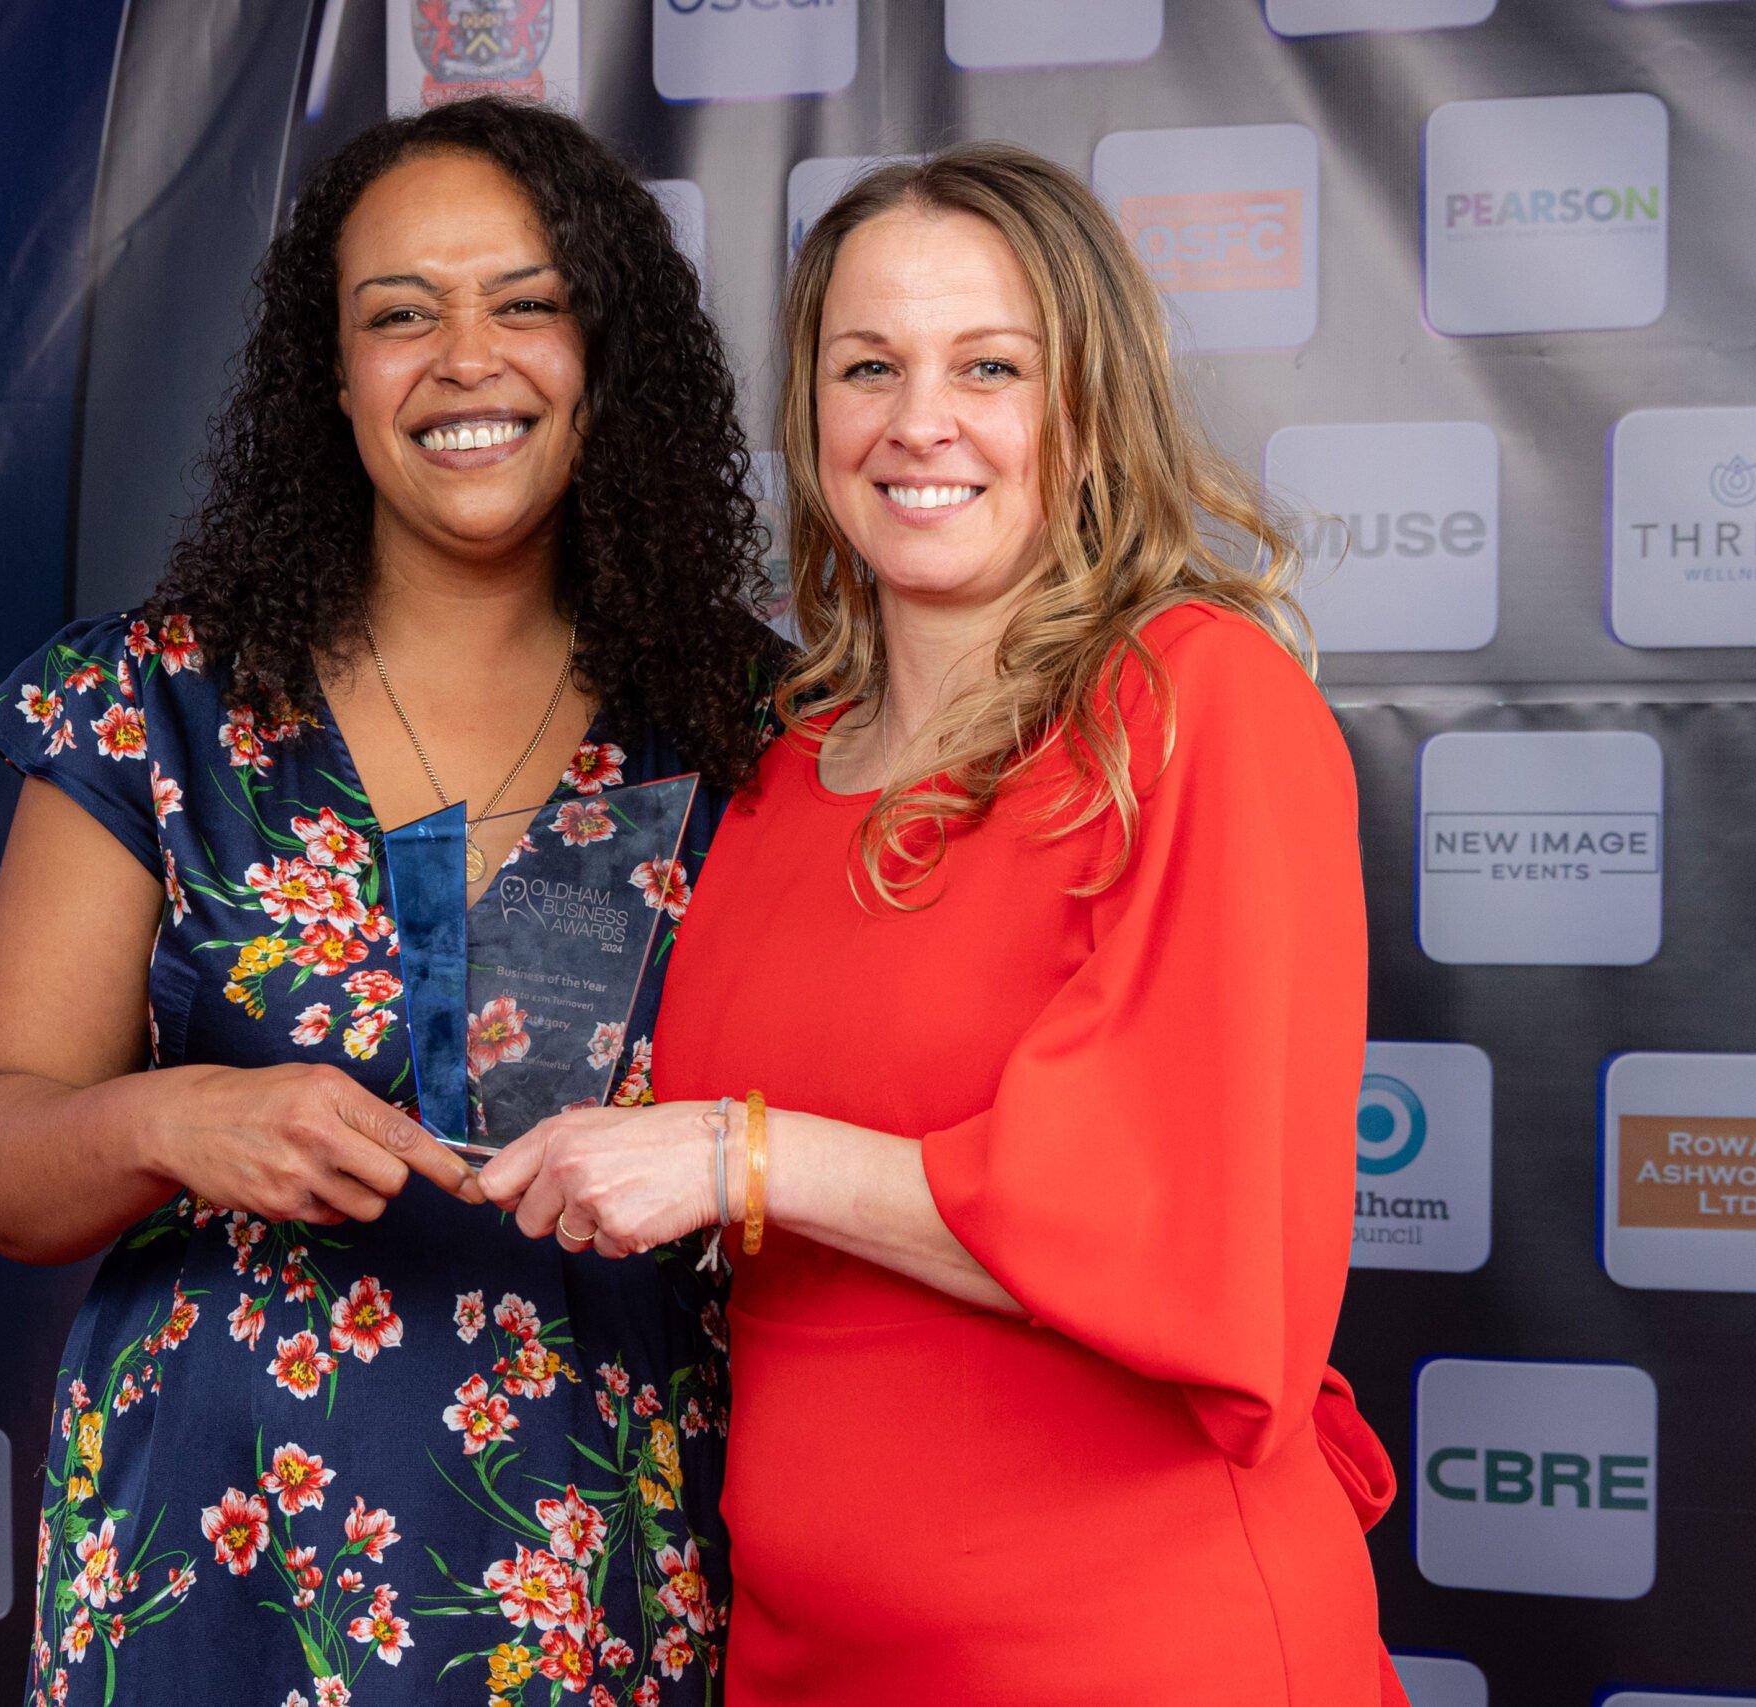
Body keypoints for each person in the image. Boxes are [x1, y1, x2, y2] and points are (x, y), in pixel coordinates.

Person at [480, 144, 1406, 1704]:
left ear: (1088, 401)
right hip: (803, 1658)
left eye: (991, 366)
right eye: (868, 368)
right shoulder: (776, 771)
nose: (922, 422)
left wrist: (738, 1153)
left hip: (1135, 1651)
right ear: (811, 415)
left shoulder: (1196, 703)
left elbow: (1198, 1238)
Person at [0, 97, 774, 1707]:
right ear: (332, 377)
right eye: (399, 315)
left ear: (609, 352)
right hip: (209, 1576)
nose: (466, 358)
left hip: (602, 1582)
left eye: (526, 303)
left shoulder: (744, 721)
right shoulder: (156, 705)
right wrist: (177, 1121)